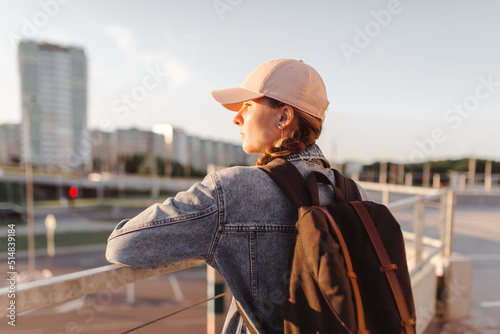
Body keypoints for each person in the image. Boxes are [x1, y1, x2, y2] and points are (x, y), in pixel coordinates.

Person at [106, 58, 371, 333]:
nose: (236, 118)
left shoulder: (232, 190)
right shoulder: (358, 195)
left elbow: (122, 245)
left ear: (284, 117)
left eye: (248, 106)